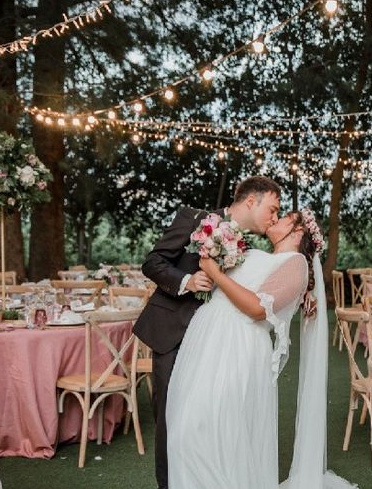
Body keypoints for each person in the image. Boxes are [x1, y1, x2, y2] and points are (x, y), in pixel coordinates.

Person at [166, 210, 355, 489]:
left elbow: (257, 308)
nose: (275, 217)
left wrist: (215, 272)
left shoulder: (297, 264)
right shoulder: (259, 255)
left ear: (299, 231)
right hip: (209, 344)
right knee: (188, 429)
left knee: (207, 431)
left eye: (285, 216)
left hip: (238, 348)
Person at [134, 176, 281, 489]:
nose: (274, 217)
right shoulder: (194, 218)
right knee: (171, 424)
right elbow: (153, 262)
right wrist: (187, 281)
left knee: (201, 421)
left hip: (212, 343)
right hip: (174, 333)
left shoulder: (248, 247)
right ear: (251, 201)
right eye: (272, 208)